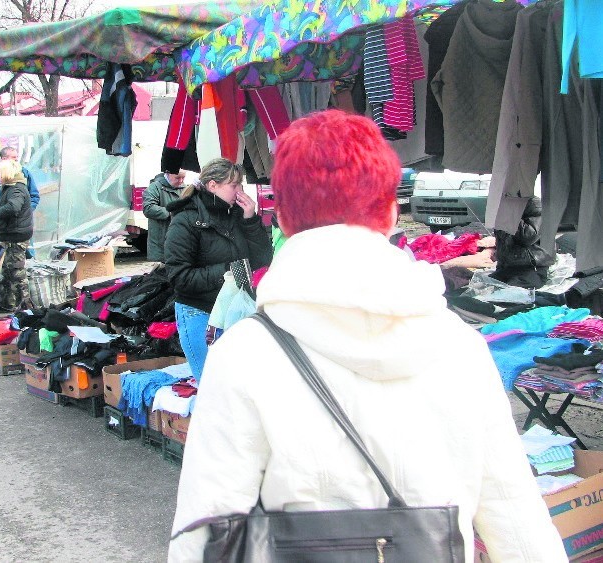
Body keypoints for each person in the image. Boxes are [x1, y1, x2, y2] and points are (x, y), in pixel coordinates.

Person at [168, 111, 567, 562]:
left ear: (285, 218)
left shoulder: (243, 357)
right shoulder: (460, 348)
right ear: (391, 213)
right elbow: (517, 522)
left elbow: (203, 540)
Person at [164, 158, 272, 380]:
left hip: (237, 309)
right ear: (213, 185)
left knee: (239, 385)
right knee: (212, 388)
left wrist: (250, 220)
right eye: (234, 185)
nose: (240, 191)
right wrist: (228, 272)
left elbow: (262, 259)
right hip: (199, 313)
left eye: (241, 185)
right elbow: (179, 277)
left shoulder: (237, 214)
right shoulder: (186, 220)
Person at [0, 159, 33, 312]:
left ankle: (25, 306)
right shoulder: (9, 188)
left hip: (16, 236)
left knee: (16, 273)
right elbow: (2, 206)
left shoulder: (16, 189)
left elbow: (13, 207)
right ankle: (9, 304)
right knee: (8, 271)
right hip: (11, 234)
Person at [0, 146, 40, 258]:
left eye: (17, 158)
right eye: (13, 158)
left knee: (21, 258)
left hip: (20, 227)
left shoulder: (22, 178)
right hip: (6, 227)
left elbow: (29, 199)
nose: (16, 161)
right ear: (4, 159)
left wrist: (25, 212)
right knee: (10, 260)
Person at [491, 196, 554, 289]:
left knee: (507, 293)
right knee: (482, 287)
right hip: (507, 267)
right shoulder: (505, 205)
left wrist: (509, 214)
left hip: (530, 268)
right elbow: (502, 238)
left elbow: (528, 237)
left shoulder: (535, 205)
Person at [142, 169, 186, 262]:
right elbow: (148, 208)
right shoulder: (154, 187)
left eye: (183, 178)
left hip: (181, 240)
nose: (181, 181)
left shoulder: (185, 189)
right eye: (178, 178)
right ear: (168, 174)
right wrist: (170, 212)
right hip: (161, 241)